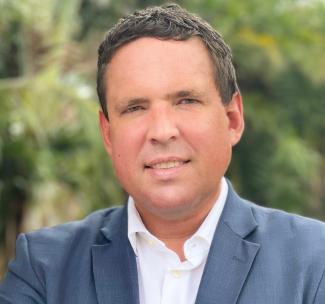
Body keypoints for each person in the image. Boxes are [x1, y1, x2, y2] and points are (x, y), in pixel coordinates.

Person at [0, 3, 325, 303]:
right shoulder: (44, 268)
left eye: (186, 101)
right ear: (108, 134)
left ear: (232, 120)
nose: (161, 131)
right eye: (135, 107)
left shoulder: (314, 259)